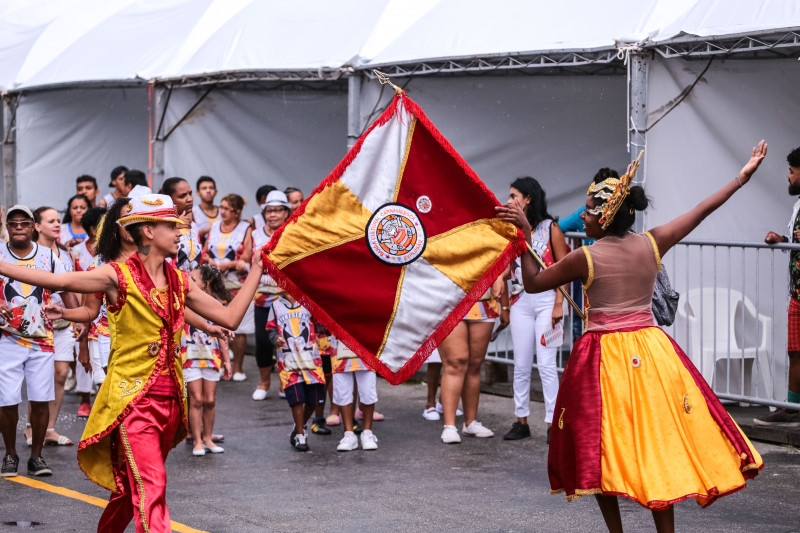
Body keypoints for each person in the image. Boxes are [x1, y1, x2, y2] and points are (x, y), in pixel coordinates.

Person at [496, 143, 768, 533]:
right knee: (657, 448)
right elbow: (702, 210)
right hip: (652, 354)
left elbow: (536, 282)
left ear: (605, 217)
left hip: (603, 359)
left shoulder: (585, 257)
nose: (583, 217)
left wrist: (525, 235)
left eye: (589, 210)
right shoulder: (652, 242)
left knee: (599, 449)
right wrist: (741, 178)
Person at [0, 193, 265, 531]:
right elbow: (57, 280)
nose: (180, 231)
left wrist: (256, 268)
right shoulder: (115, 275)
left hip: (171, 401)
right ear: (148, 232)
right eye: (171, 225)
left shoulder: (179, 280)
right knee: (152, 486)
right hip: (132, 401)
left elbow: (230, 316)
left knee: (132, 489)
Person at [0, 205, 68, 477]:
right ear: (6, 226)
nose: (18, 227)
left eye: (23, 223)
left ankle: (36, 457)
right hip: (6, 339)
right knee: (7, 400)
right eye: (12, 223)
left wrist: (78, 320)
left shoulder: (48, 257)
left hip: (42, 340)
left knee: (41, 399)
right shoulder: (0, 254)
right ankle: (10, 455)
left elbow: (68, 288)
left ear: (33, 227)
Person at [502, 177, 567, 442]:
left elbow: (564, 266)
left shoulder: (550, 228)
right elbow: (507, 267)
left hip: (547, 300)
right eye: (509, 196)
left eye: (514, 196)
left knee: (547, 364)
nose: (509, 201)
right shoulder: (511, 230)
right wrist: (504, 300)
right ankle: (521, 421)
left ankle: (553, 423)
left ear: (528, 199)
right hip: (521, 301)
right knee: (521, 363)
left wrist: (559, 304)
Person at [26, 207, 82, 447]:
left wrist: (80, 316)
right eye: (51, 221)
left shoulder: (67, 254)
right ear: (37, 226)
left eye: (59, 221)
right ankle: (31, 428)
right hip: (37, 325)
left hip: (63, 323)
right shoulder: (30, 253)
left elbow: (74, 286)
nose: (58, 225)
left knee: (60, 375)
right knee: (39, 378)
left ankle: (49, 428)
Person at [438, 275, 509, 443]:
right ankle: (449, 425)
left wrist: (505, 302)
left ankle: (470, 422)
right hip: (448, 297)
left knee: (475, 364)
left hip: (484, 298)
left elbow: (503, 254)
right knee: (456, 362)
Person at [266, 291, 326, 452]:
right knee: (296, 397)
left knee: (315, 399)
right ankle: (300, 435)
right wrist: (275, 339)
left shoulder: (309, 300)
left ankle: (300, 424)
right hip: (288, 360)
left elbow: (321, 323)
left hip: (311, 359)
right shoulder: (276, 305)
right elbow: (270, 329)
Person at [183, 265, 231, 456]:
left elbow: (222, 335)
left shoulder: (217, 304)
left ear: (206, 283)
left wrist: (227, 360)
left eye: (194, 280)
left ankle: (208, 438)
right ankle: (197, 442)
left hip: (212, 356)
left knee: (210, 400)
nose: (190, 282)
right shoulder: (185, 302)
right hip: (189, 356)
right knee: (196, 399)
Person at [204, 193, 253, 381]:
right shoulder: (215, 226)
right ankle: (221, 363)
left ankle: (238, 367)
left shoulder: (245, 228)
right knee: (218, 324)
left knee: (238, 327)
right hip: (216, 282)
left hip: (236, 284)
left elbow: (247, 257)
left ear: (237, 211)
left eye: (227, 209)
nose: (222, 212)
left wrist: (228, 265)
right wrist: (210, 260)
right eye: (221, 207)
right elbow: (205, 249)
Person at [251, 191, 289, 401]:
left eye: (277, 210)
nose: (272, 215)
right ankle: (264, 381)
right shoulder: (255, 234)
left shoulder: (293, 232)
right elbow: (248, 261)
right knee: (263, 341)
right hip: (263, 298)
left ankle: (286, 381)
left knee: (286, 340)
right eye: (269, 211)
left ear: (286, 212)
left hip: (287, 298)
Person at [72, 207, 108, 415]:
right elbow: (87, 308)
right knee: (103, 388)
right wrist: (83, 346)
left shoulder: (133, 262)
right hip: (98, 336)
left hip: (128, 338)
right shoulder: (94, 266)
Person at [332, 337, 379, 451]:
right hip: (340, 347)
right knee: (343, 392)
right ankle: (349, 434)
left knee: (368, 391)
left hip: (365, 347)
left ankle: (367, 433)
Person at [159, 178, 201, 273]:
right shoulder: (160, 226)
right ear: (169, 199)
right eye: (182, 196)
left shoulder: (193, 226)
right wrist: (173, 225)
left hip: (191, 286)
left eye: (190, 193)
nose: (190, 199)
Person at [193, 176, 219, 242]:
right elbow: (189, 236)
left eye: (211, 188)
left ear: (216, 192)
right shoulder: (192, 212)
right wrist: (206, 230)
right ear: (197, 192)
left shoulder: (224, 211)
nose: (208, 191)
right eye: (204, 188)